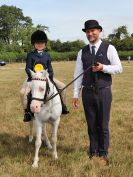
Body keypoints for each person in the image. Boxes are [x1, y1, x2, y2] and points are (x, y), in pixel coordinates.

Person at [72, 20, 123, 165]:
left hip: (103, 92)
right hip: (87, 93)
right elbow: (78, 74)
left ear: (99, 31)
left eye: (93, 31)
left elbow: (119, 68)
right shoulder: (82, 52)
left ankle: (103, 152)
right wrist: (75, 94)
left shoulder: (109, 48)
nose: (90, 33)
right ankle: (93, 151)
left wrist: (103, 68)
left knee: (103, 124)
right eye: (88, 31)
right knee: (91, 124)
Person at [20, 30, 69, 122]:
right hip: (33, 78)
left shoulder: (47, 55)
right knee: (23, 93)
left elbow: (50, 68)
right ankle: (27, 112)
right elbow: (27, 68)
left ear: (45, 44)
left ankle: (63, 106)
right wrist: (33, 76)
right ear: (34, 44)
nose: (40, 44)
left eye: (42, 43)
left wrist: (50, 77)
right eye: (37, 43)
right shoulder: (30, 55)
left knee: (63, 87)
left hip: (46, 77)